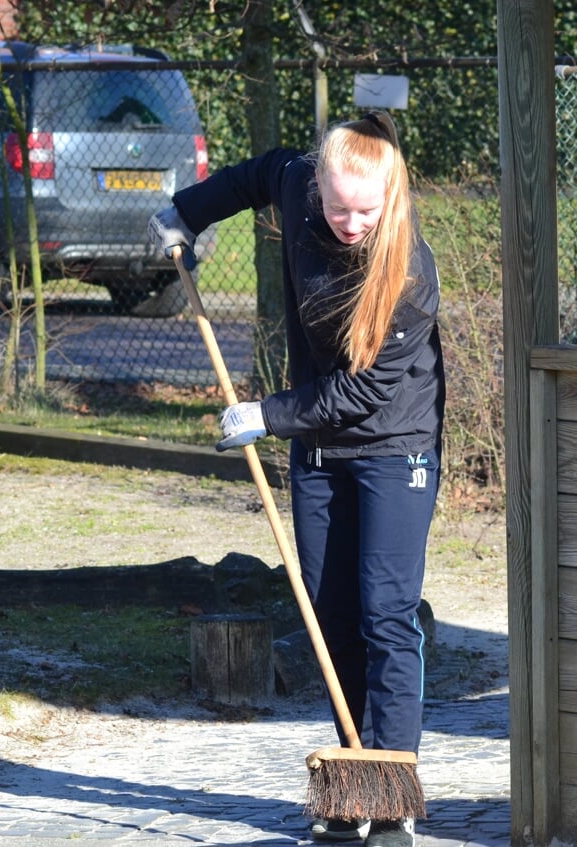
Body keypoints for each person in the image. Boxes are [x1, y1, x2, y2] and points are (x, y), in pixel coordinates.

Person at [149, 110, 443, 847]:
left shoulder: (409, 274)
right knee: (326, 613)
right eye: (338, 206)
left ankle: (393, 789)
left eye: (365, 210)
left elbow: (363, 394)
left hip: (393, 444)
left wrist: (267, 414)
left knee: (385, 612)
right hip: (318, 448)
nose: (349, 223)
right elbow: (255, 174)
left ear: (391, 198)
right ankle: (352, 786)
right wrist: (184, 211)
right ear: (318, 184)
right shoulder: (296, 186)